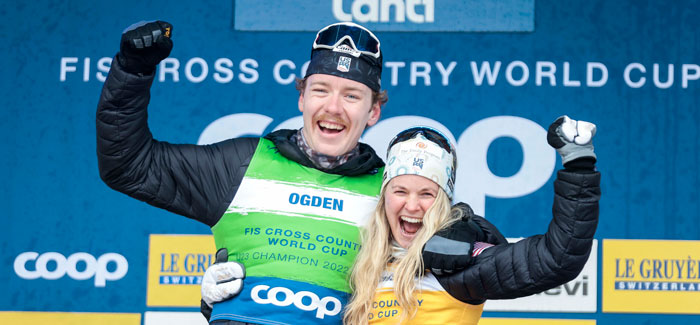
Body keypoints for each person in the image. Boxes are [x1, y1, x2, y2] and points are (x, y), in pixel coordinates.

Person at [96, 21, 497, 324]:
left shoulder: (389, 191)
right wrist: (133, 71)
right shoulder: (241, 163)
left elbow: (464, 238)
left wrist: (471, 230)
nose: (334, 107)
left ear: (374, 111)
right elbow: (128, 166)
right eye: (321, 89)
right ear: (302, 96)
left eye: (352, 95)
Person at [341, 118, 600, 324]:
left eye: (426, 194)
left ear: (443, 201)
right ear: (384, 197)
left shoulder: (453, 260)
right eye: (400, 191)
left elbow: (557, 258)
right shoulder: (364, 258)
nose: (411, 205)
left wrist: (578, 165)